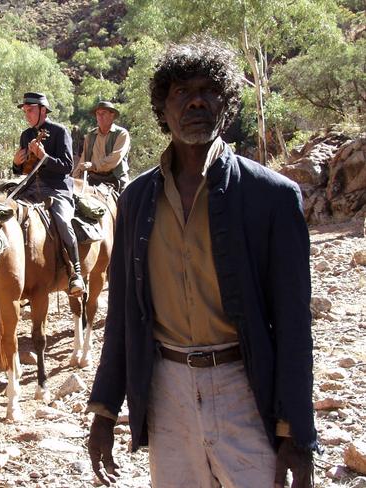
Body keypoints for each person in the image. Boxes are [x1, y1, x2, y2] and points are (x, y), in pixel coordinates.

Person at [87, 40, 317, 487]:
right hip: (165, 390)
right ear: (162, 109)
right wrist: (104, 409)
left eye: (209, 90)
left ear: (226, 105)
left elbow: (293, 325)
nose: (195, 100)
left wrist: (297, 432)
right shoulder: (136, 200)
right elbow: (124, 317)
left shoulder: (270, 197)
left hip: (245, 389)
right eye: (180, 92)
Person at [12, 92, 85, 296]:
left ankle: (75, 272)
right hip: (29, 188)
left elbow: (67, 166)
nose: (27, 114)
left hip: (56, 188)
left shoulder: (60, 132)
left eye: (30, 110)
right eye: (25, 111)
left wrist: (44, 157)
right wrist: (16, 164)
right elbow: (24, 170)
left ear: (43, 110)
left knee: (63, 221)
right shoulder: (26, 135)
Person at [73, 100, 130, 193]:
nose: (100, 116)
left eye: (103, 113)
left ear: (112, 115)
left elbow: (115, 157)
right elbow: (84, 159)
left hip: (115, 178)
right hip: (93, 178)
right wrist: (75, 178)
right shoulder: (90, 135)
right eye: (98, 114)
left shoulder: (121, 134)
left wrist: (94, 165)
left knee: (128, 201)